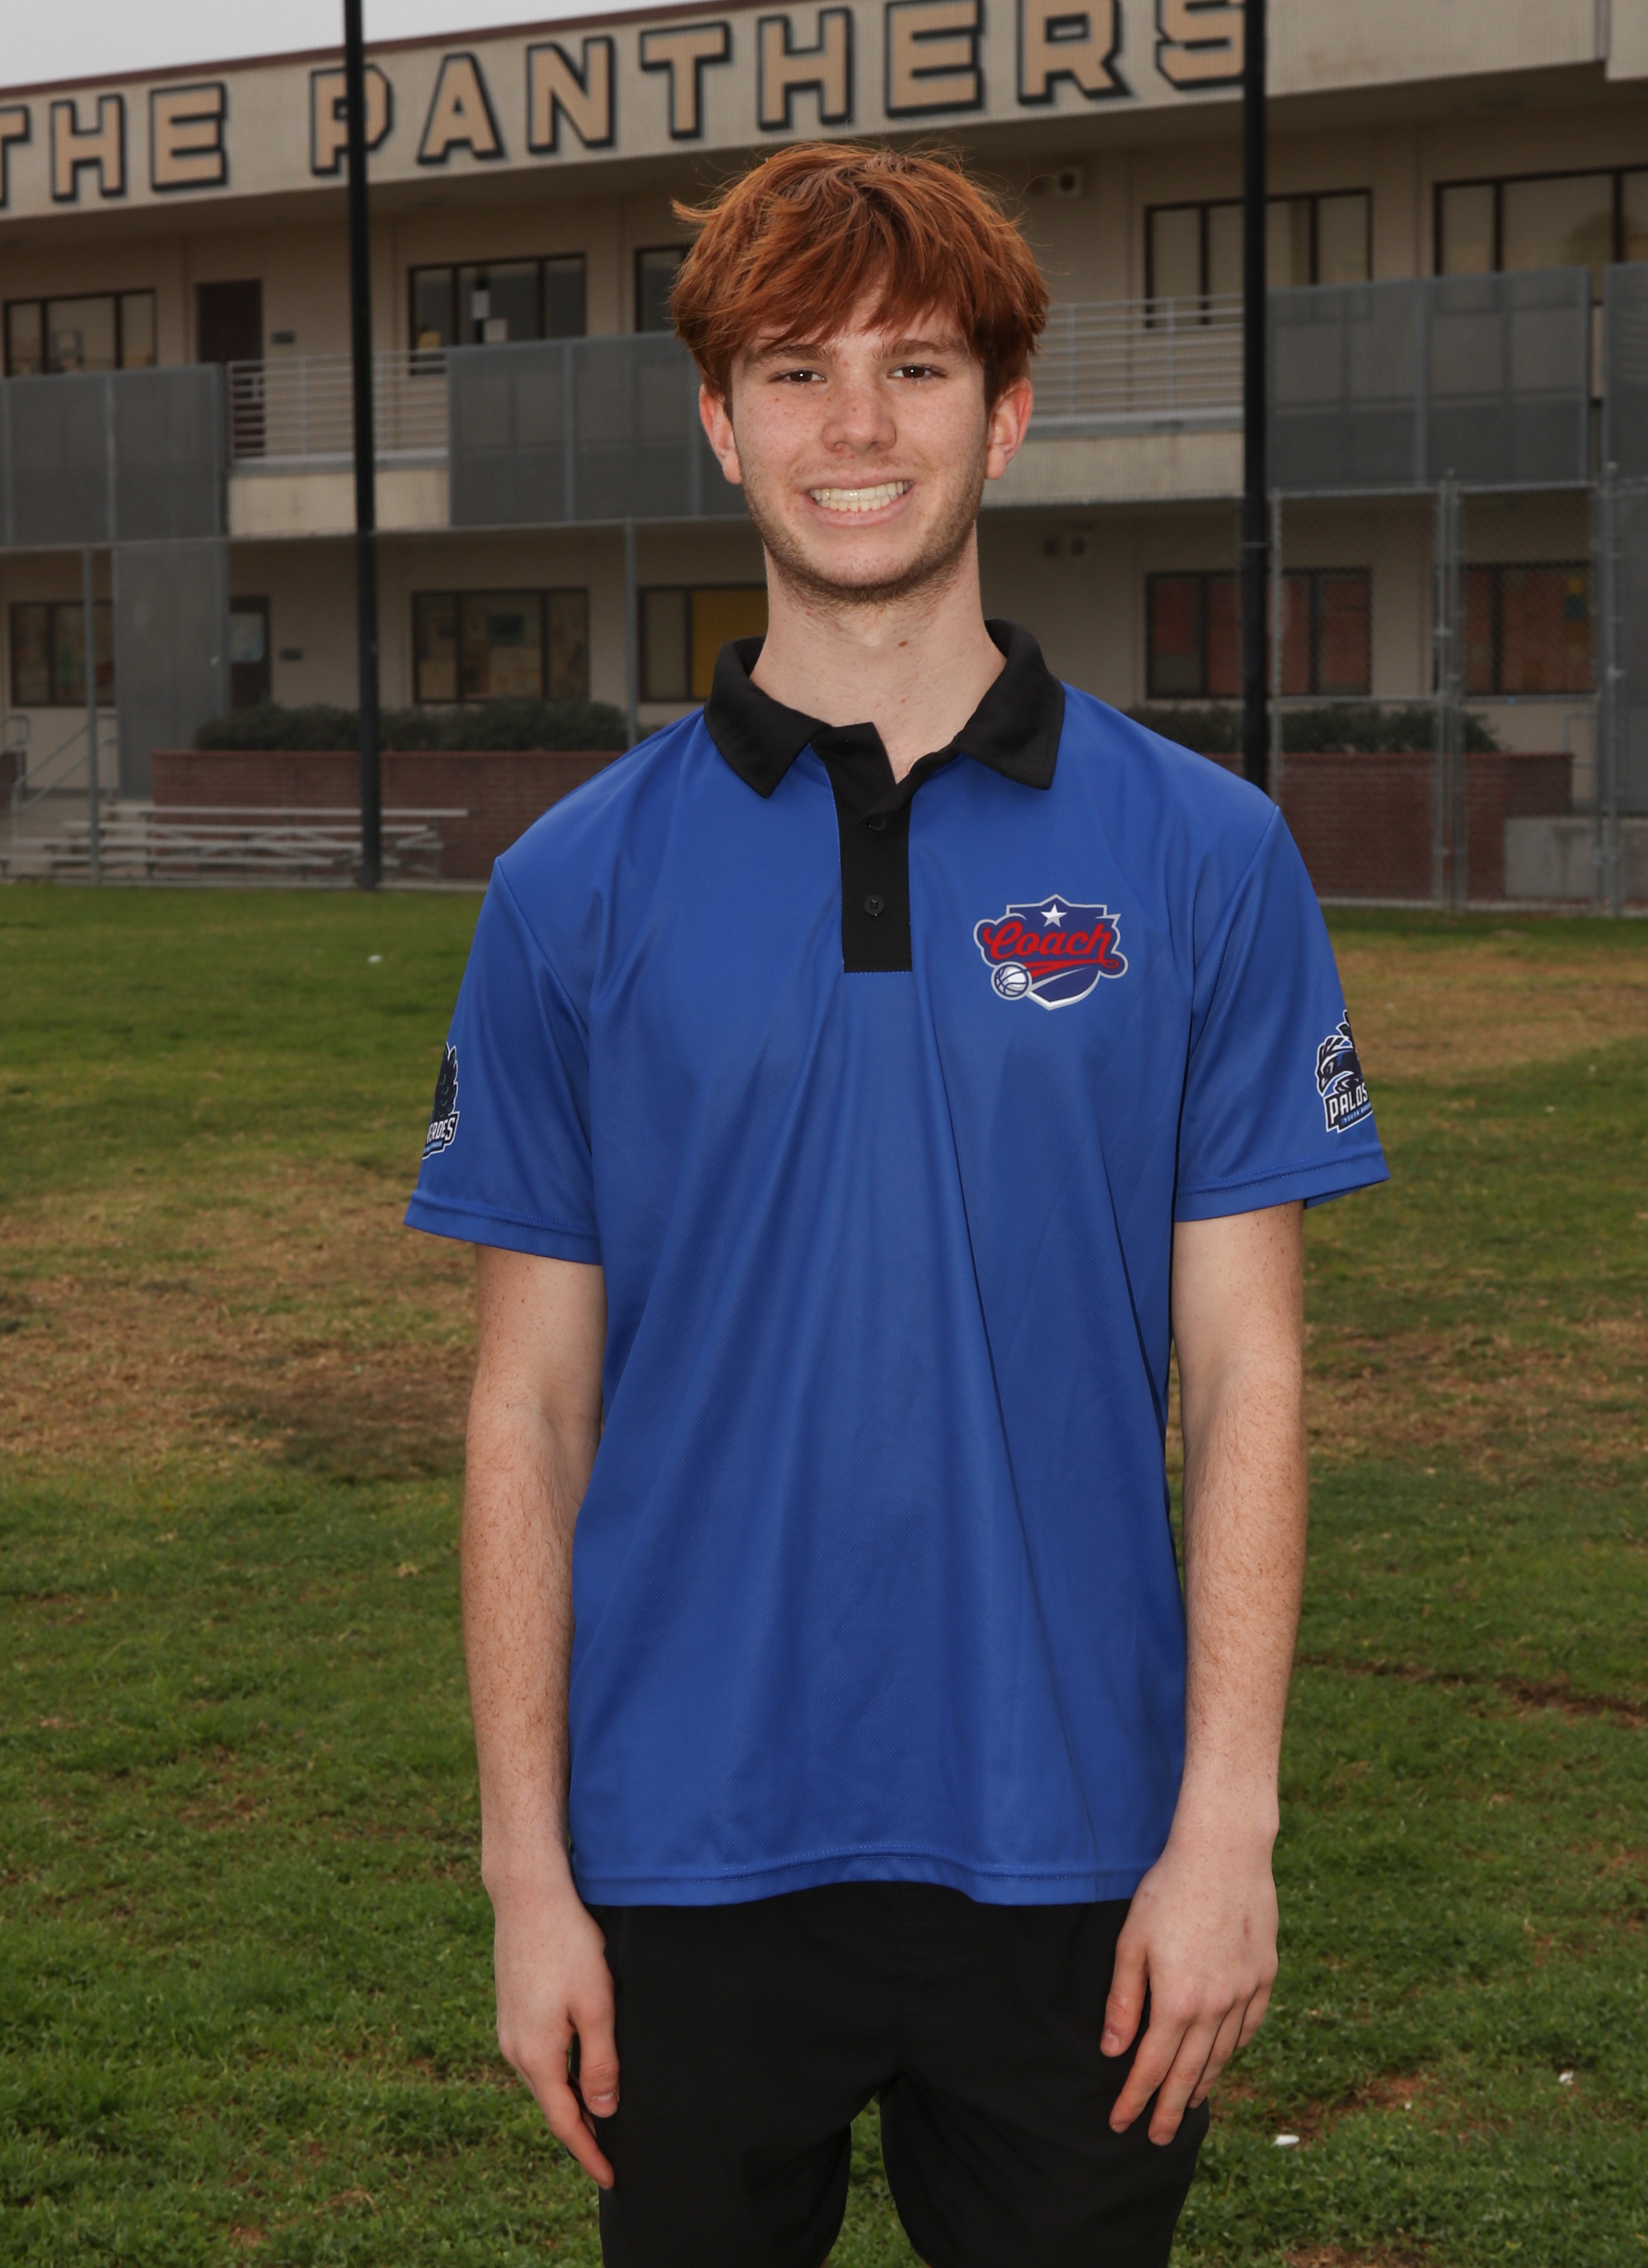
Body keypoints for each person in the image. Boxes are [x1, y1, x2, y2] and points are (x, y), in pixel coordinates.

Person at [406, 143, 1387, 2268]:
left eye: (917, 366)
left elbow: (1250, 1368)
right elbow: (529, 1413)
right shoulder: (569, 887)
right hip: (678, 1844)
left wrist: (1228, 1824)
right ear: (720, 421)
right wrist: (523, 1875)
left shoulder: (1206, 855)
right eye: (797, 370)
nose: (856, 425)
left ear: (1006, 414)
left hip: (1079, 1840)